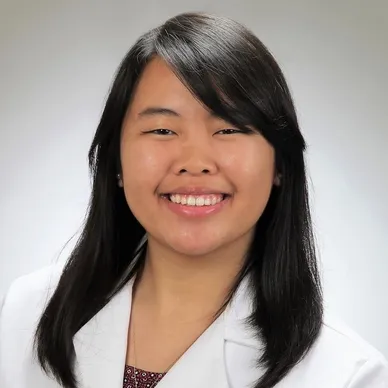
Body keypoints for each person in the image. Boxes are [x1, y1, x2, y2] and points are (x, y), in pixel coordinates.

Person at [0, 11, 387, 388]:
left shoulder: (346, 376)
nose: (195, 163)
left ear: (279, 165)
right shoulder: (25, 314)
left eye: (230, 128)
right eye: (163, 129)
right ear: (116, 159)